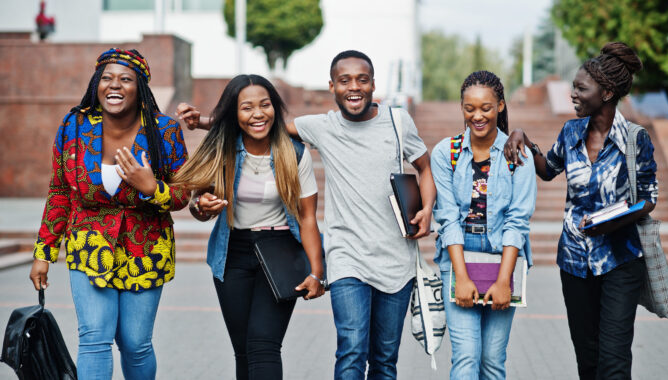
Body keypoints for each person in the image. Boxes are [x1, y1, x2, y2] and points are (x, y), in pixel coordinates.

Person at [179, 50, 436, 380]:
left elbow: (424, 168)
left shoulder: (398, 122)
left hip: (395, 258)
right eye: (345, 80)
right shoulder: (321, 126)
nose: (354, 87)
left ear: (374, 83)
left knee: (384, 359)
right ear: (332, 86)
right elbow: (258, 123)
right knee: (350, 350)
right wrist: (202, 123)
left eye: (362, 79)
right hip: (346, 257)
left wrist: (427, 209)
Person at [28, 48, 189, 380]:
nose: (114, 85)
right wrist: (44, 253)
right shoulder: (74, 126)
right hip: (89, 245)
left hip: (145, 249)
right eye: (107, 78)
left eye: (125, 79)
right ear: (96, 84)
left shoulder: (165, 131)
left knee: (136, 344)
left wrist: (151, 187)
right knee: (94, 340)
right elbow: (59, 191)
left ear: (140, 87)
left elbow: (182, 194)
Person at [504, 42, 656, 380]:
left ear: (605, 93)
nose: (572, 94)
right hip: (574, 261)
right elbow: (547, 169)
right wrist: (523, 137)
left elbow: (648, 198)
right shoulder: (571, 131)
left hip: (620, 260)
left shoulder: (635, 139)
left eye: (580, 88)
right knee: (588, 362)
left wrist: (610, 222)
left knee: (613, 361)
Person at [171, 74, 325, 380]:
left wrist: (316, 272)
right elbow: (198, 204)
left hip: (280, 252)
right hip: (233, 253)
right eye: (247, 108)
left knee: (264, 345)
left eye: (265, 105)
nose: (258, 114)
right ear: (234, 114)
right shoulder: (222, 149)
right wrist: (202, 207)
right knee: (243, 350)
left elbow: (308, 217)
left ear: (275, 108)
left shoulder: (294, 153)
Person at [431, 71, 536, 379]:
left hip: (504, 255)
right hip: (458, 254)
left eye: (486, 108)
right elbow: (447, 216)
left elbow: (518, 220)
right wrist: (461, 277)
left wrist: (504, 282)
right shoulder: (445, 153)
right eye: (469, 108)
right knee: (465, 357)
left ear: (500, 106)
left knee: (491, 360)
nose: (477, 116)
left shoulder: (518, 154)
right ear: (461, 107)